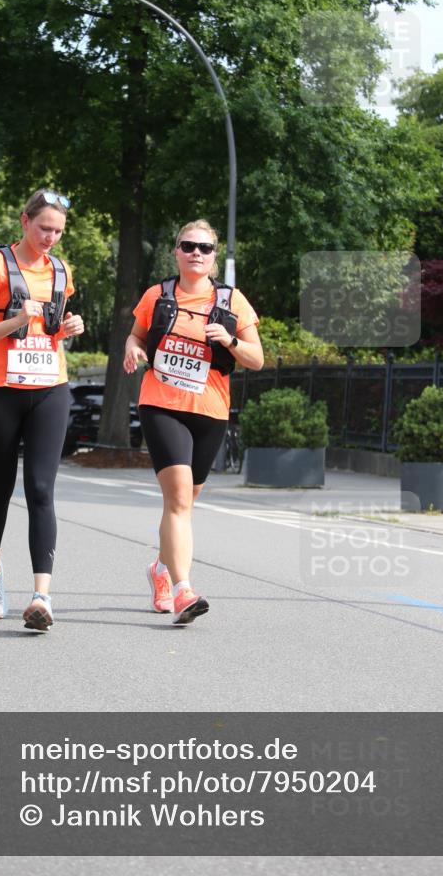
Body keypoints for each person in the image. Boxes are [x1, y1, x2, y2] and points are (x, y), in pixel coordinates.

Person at [124, 220, 263, 625]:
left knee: (186, 500)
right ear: (176, 251)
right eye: (188, 246)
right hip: (161, 403)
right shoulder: (158, 295)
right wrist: (134, 351)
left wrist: (231, 341)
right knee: (180, 497)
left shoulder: (232, 301)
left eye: (204, 247)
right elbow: (135, 336)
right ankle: (184, 590)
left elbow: (256, 359)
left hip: (210, 410)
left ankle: (160, 569)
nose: (196, 253)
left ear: (214, 255)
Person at [0, 188, 84, 631]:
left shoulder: (60, 270)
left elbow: (54, 327)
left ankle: (41, 596)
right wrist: (17, 319)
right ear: (24, 221)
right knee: (0, 489)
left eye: (57, 231)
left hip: (50, 387)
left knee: (40, 489)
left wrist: (71, 326)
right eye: (43, 228)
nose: (50, 237)